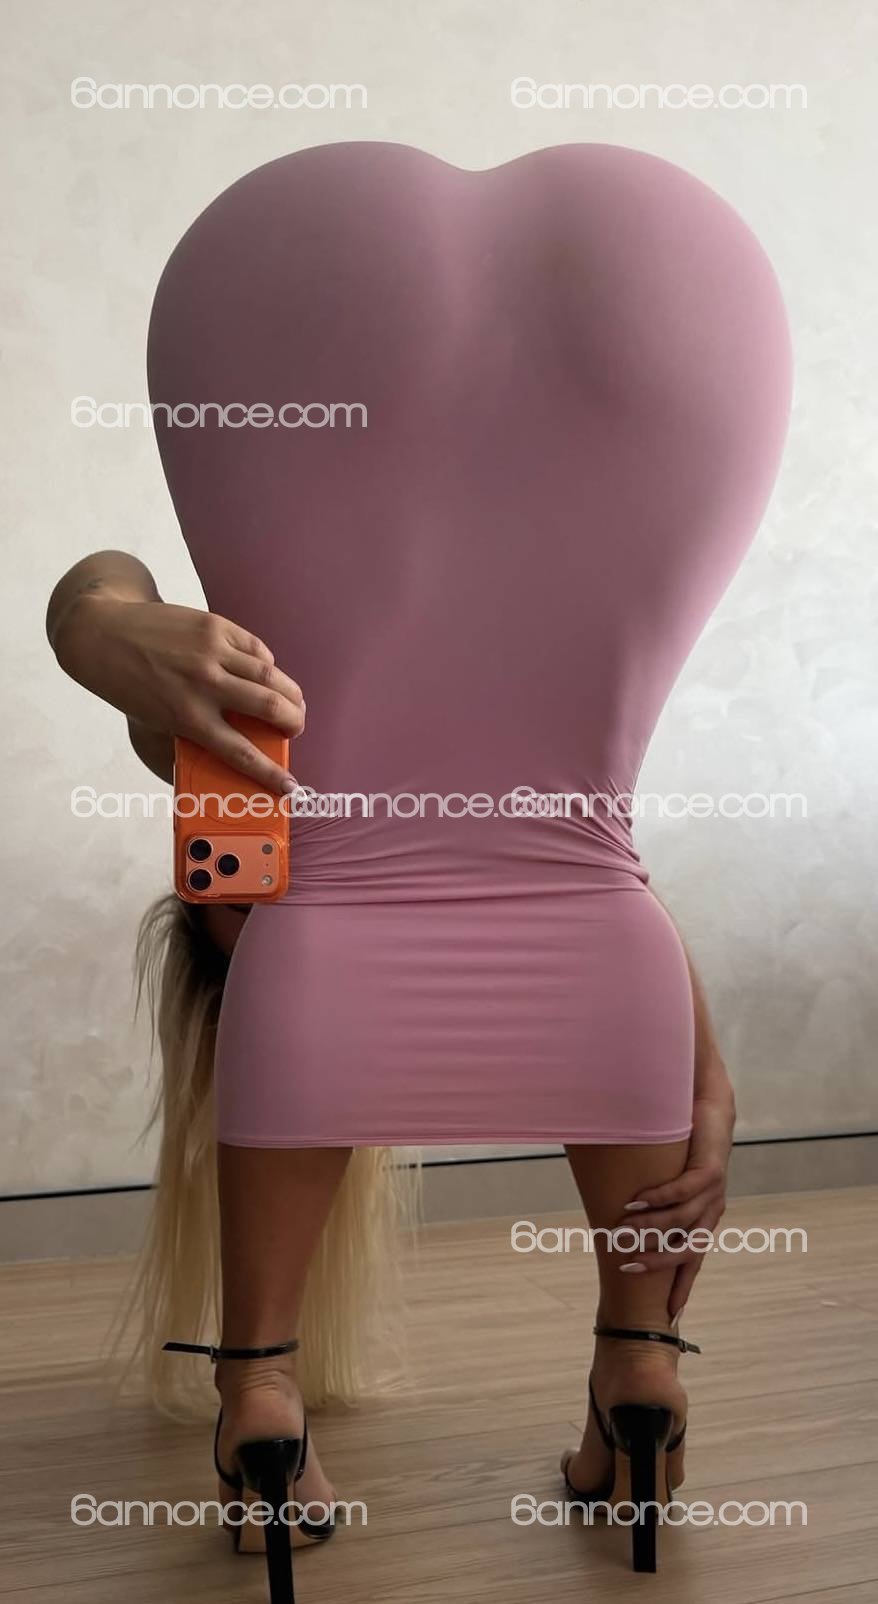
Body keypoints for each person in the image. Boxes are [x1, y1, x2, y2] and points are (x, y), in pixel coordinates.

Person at [48, 139, 790, 1591]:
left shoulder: (234, 793)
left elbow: (105, 585)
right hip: (610, 943)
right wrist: (702, 1073)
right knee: (588, 878)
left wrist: (103, 626)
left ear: (217, 957)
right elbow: (591, 881)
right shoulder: (240, 737)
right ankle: (639, 1371)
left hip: (541, 904)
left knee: (544, 870)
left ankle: (259, 1396)